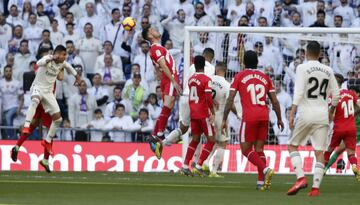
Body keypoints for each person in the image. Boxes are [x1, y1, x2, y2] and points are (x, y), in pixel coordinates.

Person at [222, 50, 284, 190]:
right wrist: (279, 118)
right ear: (257, 62)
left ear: (243, 63)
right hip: (264, 116)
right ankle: (261, 183)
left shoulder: (239, 76)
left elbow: (230, 98)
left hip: (250, 117)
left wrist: (224, 118)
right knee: (259, 149)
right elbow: (274, 101)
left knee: (245, 149)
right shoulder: (265, 77)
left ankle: (265, 169)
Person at [287, 41, 340, 197]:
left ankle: (301, 178)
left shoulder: (302, 68)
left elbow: (298, 91)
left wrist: (292, 112)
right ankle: (315, 188)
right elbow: (336, 95)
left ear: (305, 52)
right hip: (323, 114)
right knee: (319, 152)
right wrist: (331, 111)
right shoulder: (328, 70)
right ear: (320, 54)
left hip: (306, 112)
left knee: (292, 146)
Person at [22, 45, 82, 155]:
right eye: (64, 54)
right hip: (38, 87)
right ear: (57, 54)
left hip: (48, 93)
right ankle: (26, 126)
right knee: (35, 101)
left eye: (66, 55)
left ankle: (47, 141)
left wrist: (78, 78)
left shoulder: (62, 63)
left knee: (58, 119)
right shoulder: (48, 58)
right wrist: (51, 57)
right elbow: (38, 63)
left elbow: (71, 69)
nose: (65, 57)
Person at [161, 48, 215, 157]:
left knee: (184, 128)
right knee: (204, 134)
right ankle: (197, 163)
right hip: (199, 101)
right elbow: (208, 87)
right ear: (212, 58)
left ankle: (163, 142)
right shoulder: (211, 68)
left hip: (186, 97)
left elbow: (186, 83)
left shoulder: (191, 66)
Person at [142, 27, 181, 157]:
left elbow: (157, 69)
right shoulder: (155, 48)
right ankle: (159, 135)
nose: (156, 30)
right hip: (170, 78)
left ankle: (154, 136)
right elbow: (163, 65)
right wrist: (173, 81)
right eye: (152, 29)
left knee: (168, 108)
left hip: (167, 79)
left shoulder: (158, 48)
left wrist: (162, 80)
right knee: (167, 106)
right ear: (149, 35)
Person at [179, 56, 215, 177]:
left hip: (193, 113)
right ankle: (199, 166)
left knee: (195, 140)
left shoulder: (191, 79)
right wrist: (213, 113)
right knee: (211, 140)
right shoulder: (206, 79)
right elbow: (208, 97)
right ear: (204, 65)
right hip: (203, 114)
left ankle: (185, 166)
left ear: (194, 65)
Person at [202, 62, 240, 177]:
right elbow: (230, 103)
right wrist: (238, 114)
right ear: (225, 70)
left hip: (207, 115)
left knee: (213, 141)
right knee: (222, 143)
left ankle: (205, 162)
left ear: (216, 69)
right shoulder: (226, 85)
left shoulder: (208, 80)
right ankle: (213, 170)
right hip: (219, 116)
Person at [324, 74, 359, 181]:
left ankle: (322, 169)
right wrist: (353, 114)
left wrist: (331, 119)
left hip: (339, 127)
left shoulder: (333, 96)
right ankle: (354, 167)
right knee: (351, 152)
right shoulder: (350, 94)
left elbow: (330, 111)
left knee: (330, 149)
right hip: (352, 128)